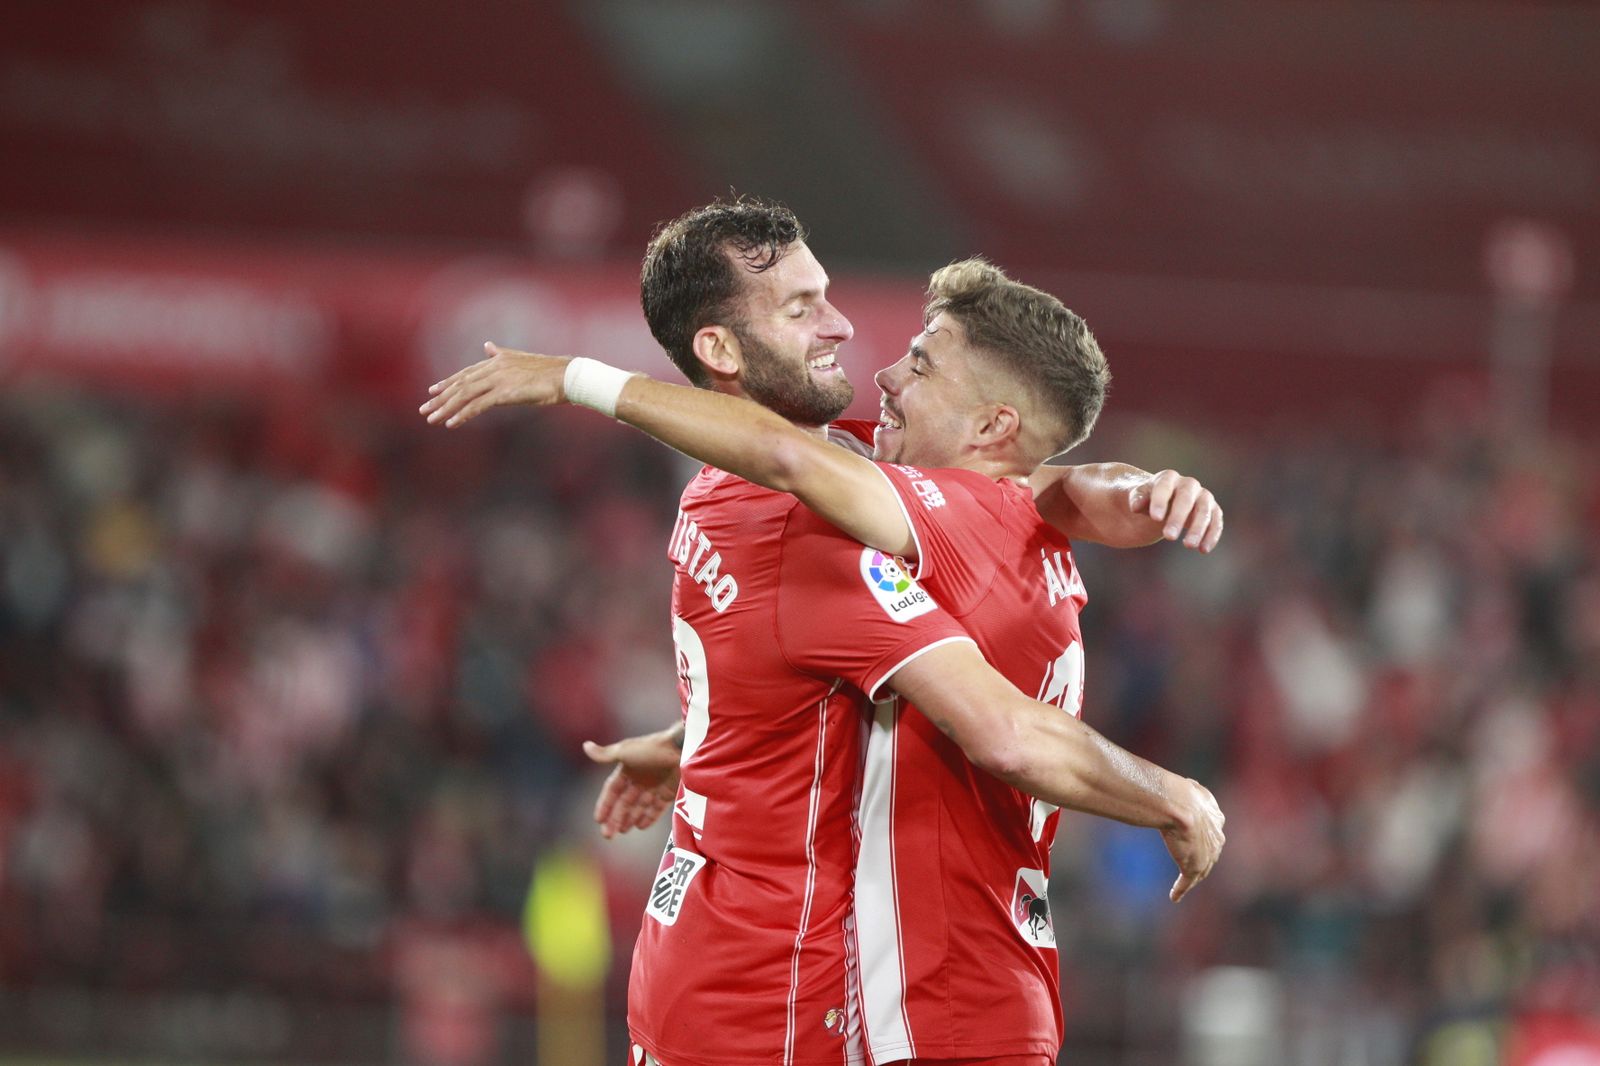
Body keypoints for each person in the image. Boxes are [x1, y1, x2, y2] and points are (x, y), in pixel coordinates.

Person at [422, 197, 1224, 1066]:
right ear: (721, 350)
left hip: (729, 974)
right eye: (803, 308)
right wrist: (1175, 797)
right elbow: (1001, 724)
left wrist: (699, 735)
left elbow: (1031, 487)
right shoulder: (808, 519)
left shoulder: (788, 488)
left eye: (829, 297)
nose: (849, 336)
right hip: (786, 1002)